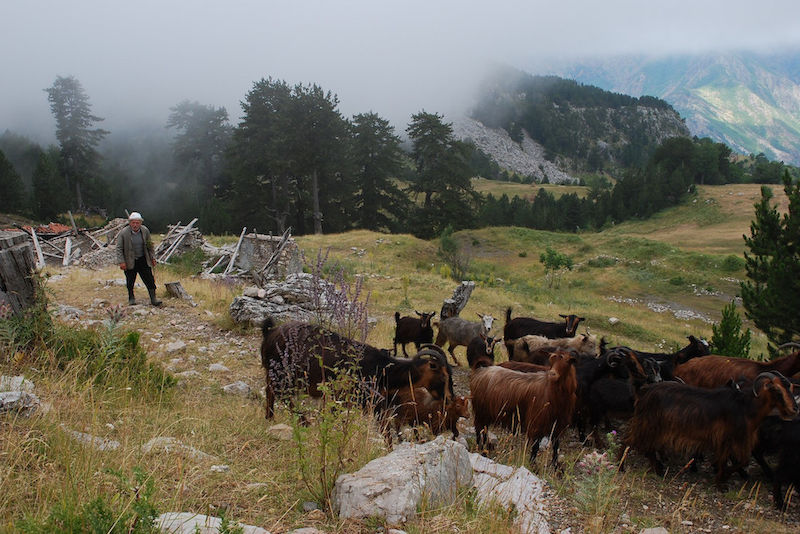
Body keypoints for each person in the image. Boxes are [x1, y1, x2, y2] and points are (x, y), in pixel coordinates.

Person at [116, 212, 162, 306]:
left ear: (140, 223)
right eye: (133, 223)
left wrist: (152, 257)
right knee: (130, 280)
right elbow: (119, 248)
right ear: (130, 223)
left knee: (149, 279)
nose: (135, 225)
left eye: (137, 223)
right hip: (130, 260)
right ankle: (131, 298)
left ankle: (153, 299)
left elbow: (150, 245)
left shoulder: (145, 231)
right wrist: (121, 262)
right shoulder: (124, 233)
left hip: (143, 259)